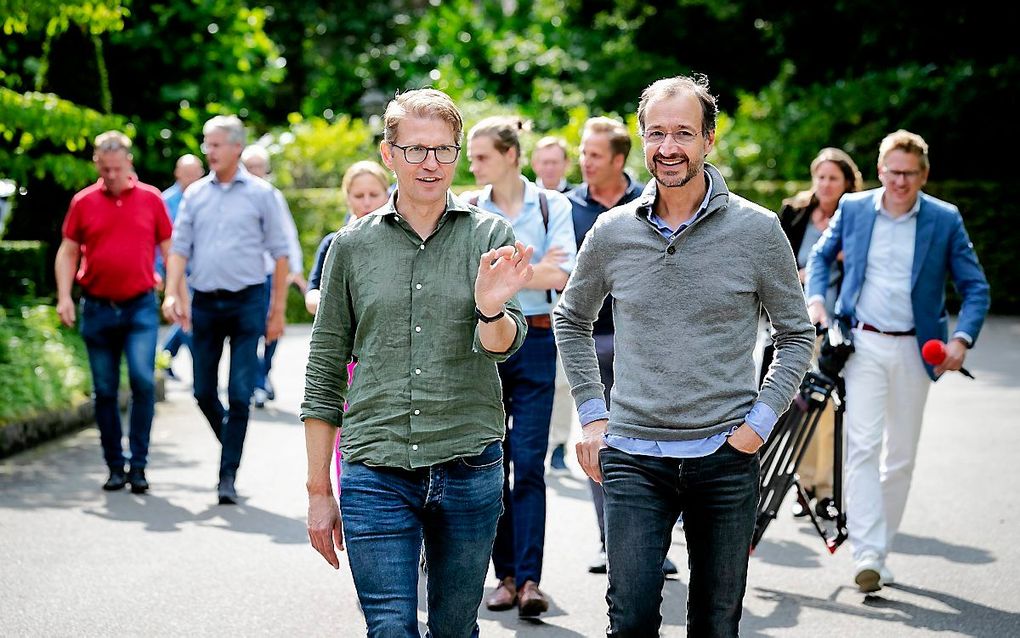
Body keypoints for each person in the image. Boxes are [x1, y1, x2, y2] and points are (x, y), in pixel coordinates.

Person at [555, 74, 814, 637]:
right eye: (656, 134)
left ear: (709, 140)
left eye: (683, 133)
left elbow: (796, 333)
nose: (668, 147)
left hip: (725, 455)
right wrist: (594, 418)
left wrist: (759, 424)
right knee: (630, 619)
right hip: (632, 454)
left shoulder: (758, 229)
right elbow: (570, 319)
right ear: (642, 139)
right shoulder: (612, 230)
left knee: (716, 624)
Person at [301, 88, 534, 637]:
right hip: (376, 468)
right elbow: (325, 368)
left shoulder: (490, 235)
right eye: (415, 150)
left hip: (468, 464)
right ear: (389, 154)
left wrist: (490, 306)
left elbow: (506, 344)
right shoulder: (351, 246)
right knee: (389, 629)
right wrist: (318, 492)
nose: (430, 163)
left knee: (455, 629)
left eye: (443, 150)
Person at [806, 129, 990, 593]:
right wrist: (816, 302)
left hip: (916, 350)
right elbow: (822, 258)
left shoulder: (945, 220)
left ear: (923, 175)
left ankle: (878, 549)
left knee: (900, 456)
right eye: (892, 172)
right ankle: (867, 553)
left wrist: (962, 340)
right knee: (862, 447)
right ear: (880, 169)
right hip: (862, 345)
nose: (900, 182)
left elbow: (975, 287)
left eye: (910, 174)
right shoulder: (853, 208)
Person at [463, 116, 577, 617]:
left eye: (482, 156)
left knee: (528, 463)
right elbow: (470, 279)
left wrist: (504, 275)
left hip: (537, 339)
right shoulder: (467, 209)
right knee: (492, 463)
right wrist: (531, 271)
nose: (473, 165)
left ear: (510, 154)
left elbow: (566, 273)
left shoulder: (553, 205)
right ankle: (503, 576)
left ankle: (529, 579)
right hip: (486, 342)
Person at [162, 115, 290, 505]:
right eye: (206, 143)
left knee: (238, 391)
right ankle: (231, 443)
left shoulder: (262, 195)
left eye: (215, 144)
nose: (208, 151)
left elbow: (281, 253)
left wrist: (278, 310)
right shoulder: (195, 195)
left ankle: (227, 476)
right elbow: (179, 248)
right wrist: (172, 293)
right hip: (205, 302)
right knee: (201, 390)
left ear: (236, 147)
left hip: (248, 299)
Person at [565, 116, 664, 574]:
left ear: (620, 159)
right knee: (601, 440)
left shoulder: (653, 203)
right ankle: (611, 541)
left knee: (653, 444)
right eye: (583, 153)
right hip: (592, 339)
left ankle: (655, 547)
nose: (585, 162)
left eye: (595, 155)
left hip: (647, 342)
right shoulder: (566, 208)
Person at [55, 131, 173, 493]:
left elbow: (170, 249)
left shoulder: (151, 199)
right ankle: (114, 466)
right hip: (98, 306)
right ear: (96, 164)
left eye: (116, 168)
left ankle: (138, 465)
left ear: (129, 163)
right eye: (104, 169)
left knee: (141, 380)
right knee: (104, 391)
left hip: (139, 305)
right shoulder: (84, 201)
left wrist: (174, 293)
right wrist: (64, 296)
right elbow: (68, 251)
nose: (110, 175)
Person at [765, 147, 863, 520]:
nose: (825, 184)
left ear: (847, 183)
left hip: (840, 329)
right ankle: (805, 486)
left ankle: (824, 489)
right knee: (799, 406)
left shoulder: (855, 219)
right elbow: (773, 261)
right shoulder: (795, 213)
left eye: (833, 178)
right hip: (795, 323)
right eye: (820, 176)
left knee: (829, 412)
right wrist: (801, 276)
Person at [240, 145, 305, 408]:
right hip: (245, 276)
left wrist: (296, 270)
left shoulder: (273, 196)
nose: (256, 172)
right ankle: (257, 382)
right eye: (250, 167)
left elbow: (288, 235)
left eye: (260, 167)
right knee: (249, 330)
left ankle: (263, 374)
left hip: (270, 274)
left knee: (273, 328)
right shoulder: (237, 195)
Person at [304, 160, 391, 315]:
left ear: (387, 195)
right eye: (358, 196)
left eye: (374, 195)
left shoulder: (402, 240)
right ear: (347, 198)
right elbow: (312, 295)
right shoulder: (333, 242)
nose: (367, 202)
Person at [158, 154, 204, 380]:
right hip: (176, 270)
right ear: (177, 173)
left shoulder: (206, 196)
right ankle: (200, 367)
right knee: (190, 316)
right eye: (188, 174)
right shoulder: (166, 201)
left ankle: (165, 355)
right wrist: (161, 273)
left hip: (201, 270)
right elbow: (161, 243)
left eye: (196, 173)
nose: (192, 178)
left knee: (189, 315)